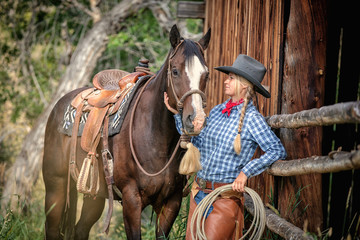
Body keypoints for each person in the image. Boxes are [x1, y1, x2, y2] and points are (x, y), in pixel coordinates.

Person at [164, 54, 287, 239]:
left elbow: (277, 150)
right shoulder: (217, 111)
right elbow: (199, 145)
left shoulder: (252, 119)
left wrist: (246, 172)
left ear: (244, 85)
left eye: (231, 78)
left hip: (224, 198)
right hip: (198, 194)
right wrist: (178, 115)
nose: (225, 81)